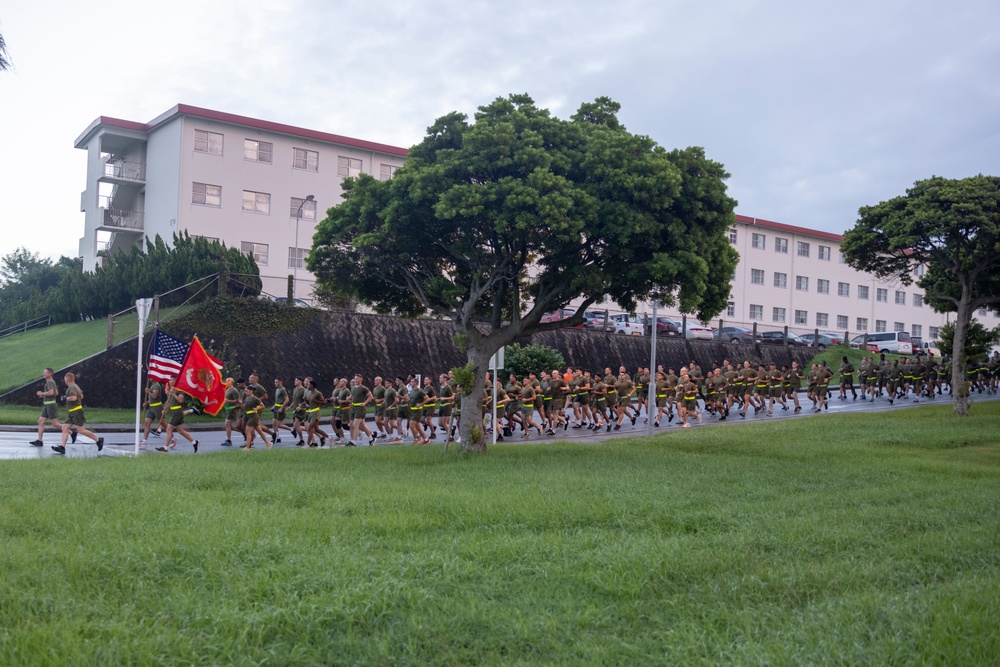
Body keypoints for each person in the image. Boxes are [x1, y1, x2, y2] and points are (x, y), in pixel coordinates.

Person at [51, 372, 104, 455]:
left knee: (81, 430)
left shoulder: (71, 388)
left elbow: (73, 398)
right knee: (64, 428)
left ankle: (98, 440)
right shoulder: (76, 386)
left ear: (67, 379)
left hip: (76, 412)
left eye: (65, 378)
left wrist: (65, 398)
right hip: (72, 411)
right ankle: (62, 447)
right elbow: (81, 396)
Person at [155, 384, 200, 453]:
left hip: (177, 412)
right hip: (173, 412)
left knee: (168, 429)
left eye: (172, 380)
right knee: (181, 431)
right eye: (169, 380)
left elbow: (181, 400)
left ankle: (165, 448)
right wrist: (165, 410)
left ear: (175, 380)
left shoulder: (179, 389)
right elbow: (169, 402)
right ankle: (194, 442)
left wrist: (173, 394)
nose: (170, 382)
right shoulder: (171, 390)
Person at [30, 368, 63, 447]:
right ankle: (39, 441)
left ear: (49, 373)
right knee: (40, 421)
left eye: (45, 372)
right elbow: (56, 393)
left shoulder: (50, 382)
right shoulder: (52, 382)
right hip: (47, 404)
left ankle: (71, 432)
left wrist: (42, 393)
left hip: (50, 405)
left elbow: (51, 392)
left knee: (55, 424)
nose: (43, 374)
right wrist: (44, 395)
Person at [241, 384, 272, 449]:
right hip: (248, 415)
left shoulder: (255, 399)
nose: (245, 392)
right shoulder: (246, 398)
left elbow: (263, 406)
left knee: (247, 431)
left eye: (246, 391)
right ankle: (268, 443)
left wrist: (257, 409)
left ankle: (247, 447)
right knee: (260, 431)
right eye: (245, 391)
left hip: (253, 416)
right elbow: (244, 407)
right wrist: (241, 404)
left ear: (251, 391)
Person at [349, 374, 376, 446]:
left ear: (361, 379)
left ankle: (354, 442)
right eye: (355, 379)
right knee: (353, 425)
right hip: (353, 408)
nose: (355, 380)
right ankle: (371, 438)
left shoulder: (364, 388)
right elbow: (352, 397)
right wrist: (349, 399)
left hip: (360, 409)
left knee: (355, 425)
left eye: (357, 379)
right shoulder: (353, 388)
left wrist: (365, 403)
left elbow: (371, 396)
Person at [140, 376, 165, 447]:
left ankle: (172, 438)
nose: (150, 378)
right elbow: (151, 398)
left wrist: (148, 392)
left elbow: (154, 396)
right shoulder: (153, 385)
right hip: (151, 407)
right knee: (147, 423)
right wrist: (147, 403)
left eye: (151, 376)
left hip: (157, 407)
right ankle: (144, 440)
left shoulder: (156, 385)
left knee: (163, 423)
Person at [221, 377, 242, 446]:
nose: (226, 382)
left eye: (228, 381)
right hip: (228, 408)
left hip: (232, 408)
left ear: (231, 382)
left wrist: (228, 401)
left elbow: (237, 400)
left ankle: (229, 440)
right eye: (226, 381)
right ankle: (245, 432)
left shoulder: (234, 390)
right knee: (230, 426)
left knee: (227, 424)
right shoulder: (227, 390)